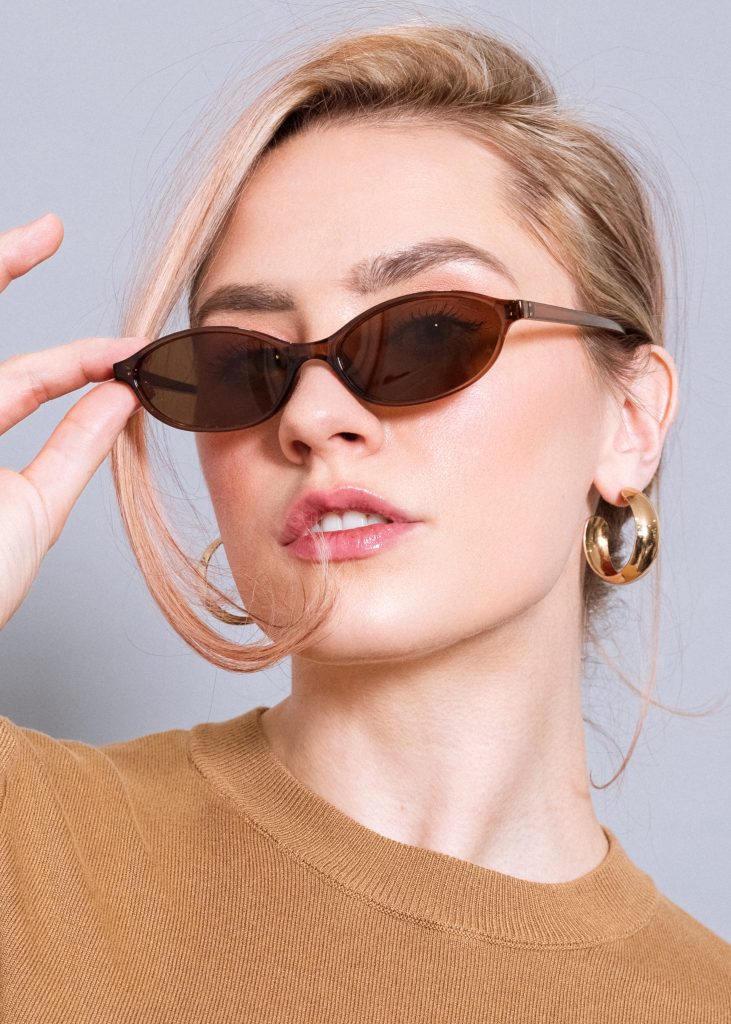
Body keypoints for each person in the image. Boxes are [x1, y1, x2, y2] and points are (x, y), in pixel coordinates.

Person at [0, 19, 728, 1022]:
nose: (308, 416)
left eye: (425, 332)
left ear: (630, 418)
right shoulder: (27, 854)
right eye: (243, 363)